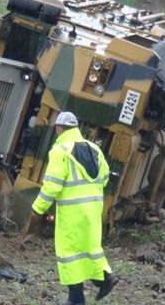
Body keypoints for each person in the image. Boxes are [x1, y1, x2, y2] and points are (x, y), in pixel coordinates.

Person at [21, 112, 118, 305]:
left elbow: (52, 186)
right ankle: (106, 278)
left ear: (59, 129)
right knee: (90, 247)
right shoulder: (94, 148)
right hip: (93, 208)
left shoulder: (60, 151)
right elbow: (105, 175)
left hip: (72, 212)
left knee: (69, 254)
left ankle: (76, 299)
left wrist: (37, 209)